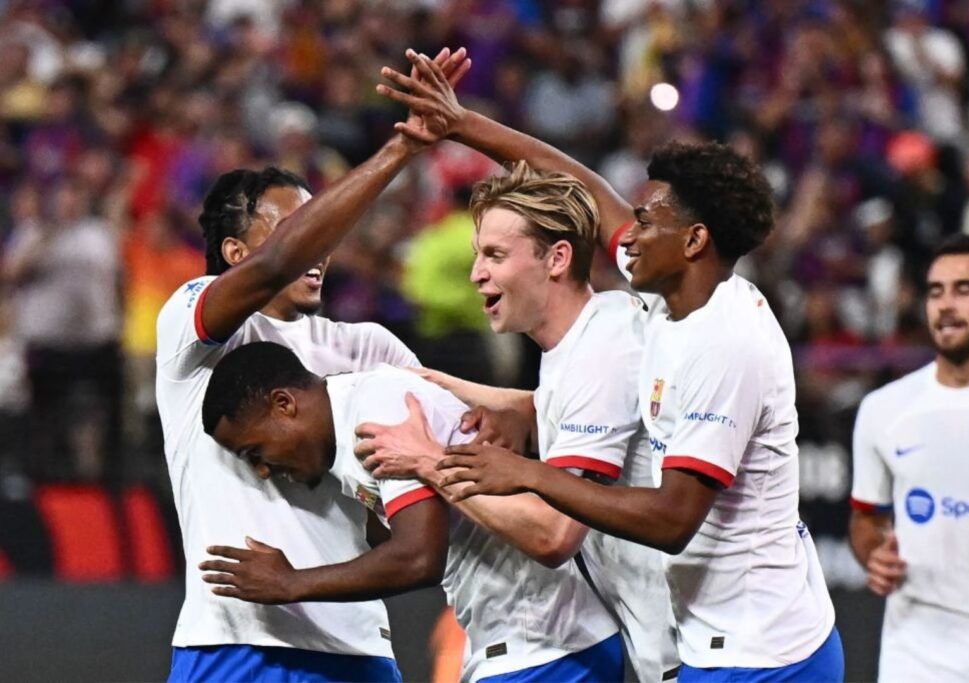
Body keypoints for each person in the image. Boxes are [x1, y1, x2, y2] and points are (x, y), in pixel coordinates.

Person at [376, 51, 844, 681]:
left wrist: (522, 473)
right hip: (706, 642)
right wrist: (461, 125)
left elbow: (671, 519)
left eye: (648, 219)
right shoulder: (666, 296)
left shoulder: (725, 346)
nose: (627, 231)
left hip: (759, 652)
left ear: (694, 241)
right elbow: (587, 188)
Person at [157, 48, 470, 683]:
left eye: (321, 228)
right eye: (297, 228)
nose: (319, 246)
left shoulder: (371, 349)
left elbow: (431, 477)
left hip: (356, 647)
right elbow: (271, 270)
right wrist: (401, 151)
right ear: (235, 251)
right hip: (233, 641)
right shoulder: (195, 328)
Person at [358, 161, 677, 681]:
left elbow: (554, 535)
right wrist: (438, 385)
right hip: (666, 642)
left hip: (691, 649)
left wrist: (430, 461)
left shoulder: (601, 352)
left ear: (557, 258)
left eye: (495, 256)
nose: (476, 273)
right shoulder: (597, 332)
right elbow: (557, 402)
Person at [201, 342, 624, 683]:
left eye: (255, 451)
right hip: (528, 643)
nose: (262, 469)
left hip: (546, 644)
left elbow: (419, 555)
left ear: (284, 404)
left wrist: (289, 583)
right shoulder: (352, 423)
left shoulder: (376, 415)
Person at [849, 234, 969, 682]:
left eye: (965, 289)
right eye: (935, 291)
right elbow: (866, 520)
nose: (946, 304)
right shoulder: (884, 409)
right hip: (915, 651)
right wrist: (874, 554)